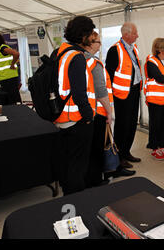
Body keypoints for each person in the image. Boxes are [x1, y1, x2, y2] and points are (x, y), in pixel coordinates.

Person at [54, 16, 96, 195]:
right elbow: (79, 93)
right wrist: (88, 117)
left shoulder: (61, 51)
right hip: (76, 119)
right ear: (83, 35)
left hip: (62, 117)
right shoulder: (77, 57)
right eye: (91, 34)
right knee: (78, 166)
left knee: (67, 161)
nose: (93, 37)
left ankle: (68, 196)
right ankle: (76, 201)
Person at [105, 23, 142, 176]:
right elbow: (110, 73)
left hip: (134, 91)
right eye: (135, 33)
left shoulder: (134, 49)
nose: (137, 36)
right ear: (126, 34)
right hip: (122, 94)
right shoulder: (115, 50)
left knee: (132, 123)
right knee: (122, 125)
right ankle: (118, 157)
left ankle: (126, 152)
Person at [82, 32, 114, 187]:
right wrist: (109, 111)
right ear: (90, 42)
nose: (100, 45)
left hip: (83, 112)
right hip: (98, 112)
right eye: (98, 42)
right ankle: (95, 181)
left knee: (87, 149)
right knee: (96, 149)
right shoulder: (94, 63)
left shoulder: (78, 59)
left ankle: (87, 178)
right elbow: (101, 91)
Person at [0, 33, 22, 105]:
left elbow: (16, 54)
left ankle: (18, 114)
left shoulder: (3, 48)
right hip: (3, 80)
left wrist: (12, 64)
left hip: (9, 79)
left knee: (13, 100)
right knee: (6, 101)